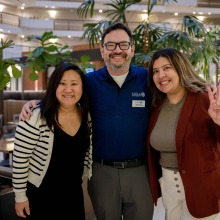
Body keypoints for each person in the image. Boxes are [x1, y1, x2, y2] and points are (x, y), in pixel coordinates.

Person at [18, 22, 154, 220]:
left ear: (132, 49)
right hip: (102, 171)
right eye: (110, 45)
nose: (117, 50)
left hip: (139, 171)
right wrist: (35, 104)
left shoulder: (148, 79)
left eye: (123, 45)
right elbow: (65, 95)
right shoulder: (89, 82)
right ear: (102, 50)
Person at [146, 47, 220, 220]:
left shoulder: (204, 99)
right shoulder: (157, 105)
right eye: (155, 71)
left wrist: (218, 121)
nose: (160, 75)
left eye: (167, 68)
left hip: (202, 186)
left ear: (180, 68)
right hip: (169, 186)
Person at [12, 62, 91, 220]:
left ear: (82, 88)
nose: (68, 90)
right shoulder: (35, 116)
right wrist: (20, 197)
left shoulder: (86, 116)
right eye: (62, 83)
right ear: (54, 86)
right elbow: (20, 159)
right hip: (41, 196)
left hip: (73, 196)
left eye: (74, 84)